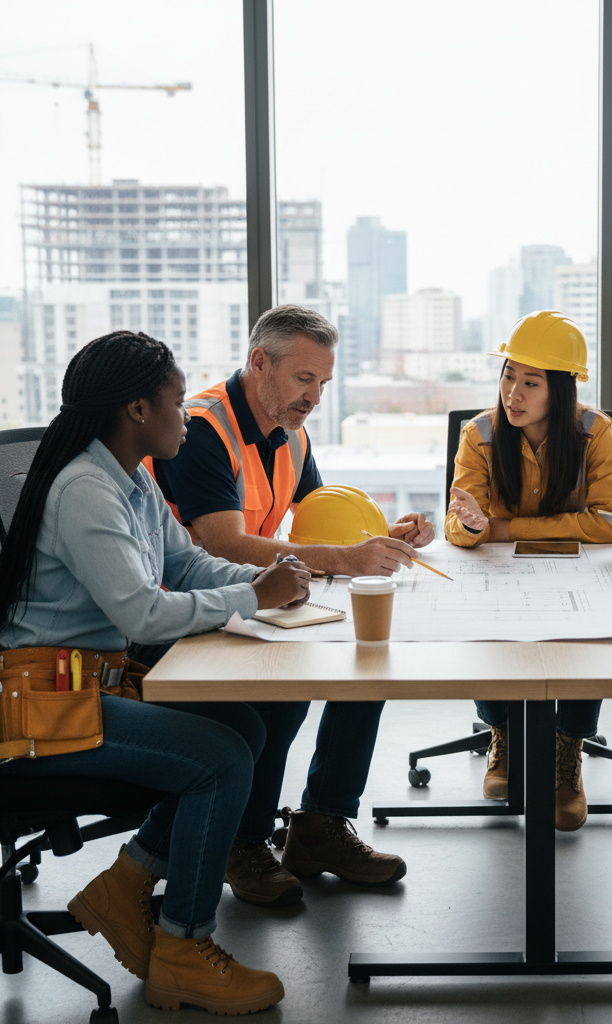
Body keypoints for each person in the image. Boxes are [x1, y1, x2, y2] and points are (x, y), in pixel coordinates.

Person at [0, 331, 312, 1013]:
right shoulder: (85, 489)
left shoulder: (129, 473)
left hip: (90, 686)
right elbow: (142, 613)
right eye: (177, 401)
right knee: (221, 758)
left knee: (242, 726)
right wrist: (253, 598)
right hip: (42, 706)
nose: (188, 415)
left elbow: (185, 566)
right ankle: (184, 950)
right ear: (138, 410)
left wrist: (270, 579)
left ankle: (126, 885)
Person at [149, 304, 430, 907]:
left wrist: (382, 537)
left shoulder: (289, 430)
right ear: (260, 363)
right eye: (305, 380)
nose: (315, 398)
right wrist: (347, 559)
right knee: (287, 682)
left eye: (323, 384)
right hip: (187, 610)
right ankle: (244, 841)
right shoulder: (201, 428)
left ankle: (322, 824)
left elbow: (318, 516)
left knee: (368, 659)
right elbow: (223, 542)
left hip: (255, 600)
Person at [445, 310, 612, 831]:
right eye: (508, 376)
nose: (513, 394)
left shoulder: (595, 432)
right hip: (500, 576)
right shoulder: (479, 434)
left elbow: (610, 523)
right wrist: (479, 530)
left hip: (575, 572)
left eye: (531, 381)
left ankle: (568, 747)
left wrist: (506, 529)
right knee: (483, 618)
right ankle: (501, 730)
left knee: (589, 630)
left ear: (562, 388)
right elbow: (458, 523)